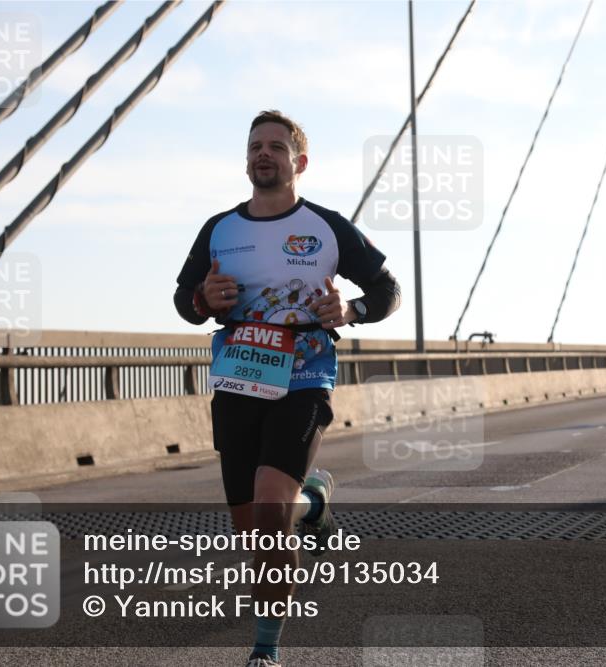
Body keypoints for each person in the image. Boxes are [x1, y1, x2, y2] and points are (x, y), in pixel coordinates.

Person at [174, 110, 401, 667]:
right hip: (238, 380)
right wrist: (206, 300)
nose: (264, 154)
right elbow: (184, 300)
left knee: (271, 509)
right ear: (246, 158)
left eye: (276, 147)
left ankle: (266, 649)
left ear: (299, 162)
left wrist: (351, 308)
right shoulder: (219, 229)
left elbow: (386, 288)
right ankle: (315, 502)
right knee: (254, 530)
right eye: (255, 146)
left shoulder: (326, 227)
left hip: (304, 378)